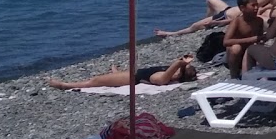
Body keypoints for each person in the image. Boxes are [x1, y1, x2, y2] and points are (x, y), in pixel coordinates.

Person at [49, 54, 199, 91]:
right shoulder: (170, 72)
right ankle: (116, 73)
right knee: (110, 76)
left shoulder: (162, 77)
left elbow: (162, 81)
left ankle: (65, 85)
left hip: (130, 78)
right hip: (130, 74)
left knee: (95, 81)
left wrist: (179, 63)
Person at [222, 0, 266, 74]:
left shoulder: (259, 21)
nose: (256, 8)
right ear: (242, 8)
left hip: (249, 52)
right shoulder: (237, 21)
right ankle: (234, 75)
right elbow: (226, 42)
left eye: (257, 5)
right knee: (236, 48)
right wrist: (250, 39)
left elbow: (259, 39)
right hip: (235, 55)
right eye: (253, 5)